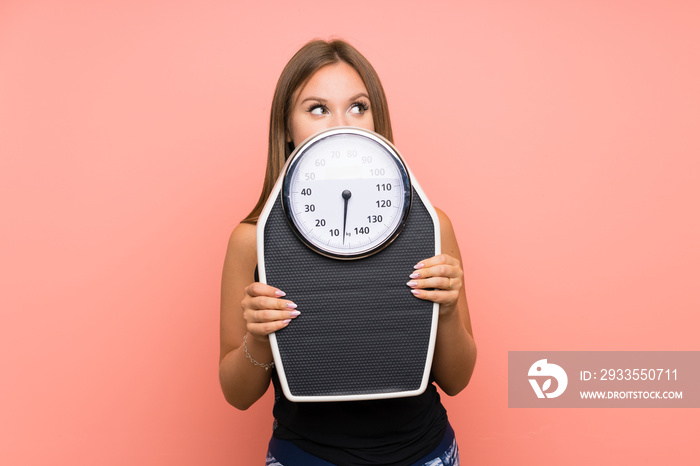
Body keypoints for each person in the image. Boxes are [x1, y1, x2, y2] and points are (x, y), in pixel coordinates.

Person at [219, 39, 477, 466]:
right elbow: (236, 395)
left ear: (377, 120)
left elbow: (458, 380)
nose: (341, 124)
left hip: (424, 453)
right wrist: (259, 336)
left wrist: (446, 311)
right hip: (305, 456)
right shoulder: (253, 239)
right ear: (286, 127)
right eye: (317, 109)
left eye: (358, 107)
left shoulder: (432, 226)